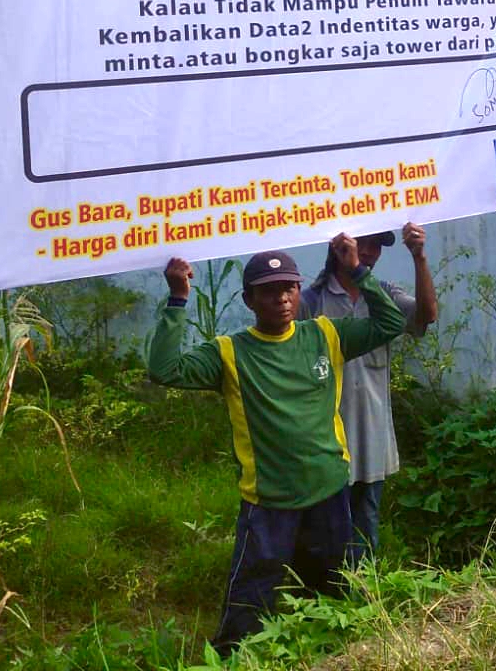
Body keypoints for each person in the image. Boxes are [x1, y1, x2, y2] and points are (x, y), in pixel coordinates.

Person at [147, 238, 404, 656]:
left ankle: (326, 656)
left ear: (299, 292)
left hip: (329, 491)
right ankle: (233, 658)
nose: (282, 298)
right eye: (269, 291)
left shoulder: (326, 335)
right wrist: (178, 299)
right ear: (249, 300)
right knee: (250, 599)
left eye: (289, 288)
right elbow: (164, 369)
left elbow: (391, 323)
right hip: (269, 501)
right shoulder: (229, 353)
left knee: (331, 592)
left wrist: (358, 270)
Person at [298, 223, 438, 562]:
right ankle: (328, 586)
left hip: (371, 432)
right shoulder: (311, 301)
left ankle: (363, 587)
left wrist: (419, 257)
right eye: (363, 243)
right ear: (338, 246)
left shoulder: (384, 295)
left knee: (365, 523)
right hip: (324, 438)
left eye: (377, 245)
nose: (370, 252)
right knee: (325, 527)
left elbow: (426, 316)